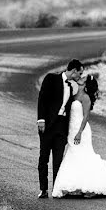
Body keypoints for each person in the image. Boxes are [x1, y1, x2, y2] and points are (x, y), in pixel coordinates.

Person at [51, 75, 106, 199]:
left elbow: (86, 117)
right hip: (72, 129)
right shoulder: (74, 95)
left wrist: (79, 132)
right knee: (74, 155)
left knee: (84, 154)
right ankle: (76, 186)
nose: (81, 78)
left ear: (86, 84)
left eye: (84, 78)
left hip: (81, 130)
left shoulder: (85, 98)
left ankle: (92, 185)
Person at [36, 59, 84, 198]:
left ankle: (56, 190)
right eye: (79, 73)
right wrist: (41, 119)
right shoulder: (51, 78)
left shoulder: (72, 86)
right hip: (47, 125)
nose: (80, 76)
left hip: (61, 128)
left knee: (58, 160)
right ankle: (43, 189)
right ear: (73, 70)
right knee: (44, 158)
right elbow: (42, 98)